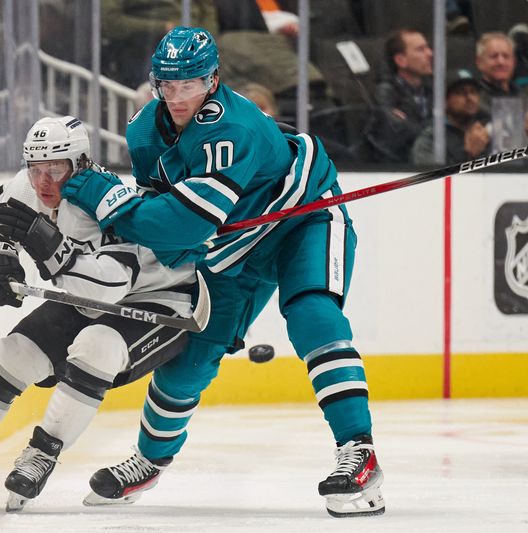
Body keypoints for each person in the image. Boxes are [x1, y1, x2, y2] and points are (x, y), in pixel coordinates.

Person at [61, 26, 384, 517]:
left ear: (212, 81)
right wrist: (142, 217)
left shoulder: (229, 128)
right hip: (233, 244)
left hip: (302, 216)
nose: (176, 97)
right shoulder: (144, 129)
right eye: (167, 86)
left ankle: (359, 452)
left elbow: (178, 226)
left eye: (189, 85)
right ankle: (149, 461)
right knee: (190, 353)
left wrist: (101, 196)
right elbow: (161, 211)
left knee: (312, 314)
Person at [0, 116, 197, 512]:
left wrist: (51, 247)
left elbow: (111, 286)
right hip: (87, 297)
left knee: (98, 345)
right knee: (12, 354)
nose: (43, 182)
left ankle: (43, 453)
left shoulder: (108, 197)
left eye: (55, 169)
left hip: (161, 299)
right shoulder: (26, 188)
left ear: (81, 164)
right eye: (36, 169)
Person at [372, 29, 434, 162]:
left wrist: (409, 123)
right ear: (401, 60)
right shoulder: (386, 93)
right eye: (420, 50)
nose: (430, 53)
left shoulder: (435, 90)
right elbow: (396, 134)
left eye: (428, 47)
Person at [411, 69, 491, 165]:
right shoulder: (431, 139)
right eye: (460, 93)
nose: (470, 98)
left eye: (473, 92)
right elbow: (433, 178)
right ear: (444, 101)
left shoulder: (485, 133)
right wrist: (469, 156)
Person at [475, 32, 523, 115]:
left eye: (506, 56)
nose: (501, 62)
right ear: (480, 63)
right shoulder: (473, 100)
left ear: (514, 62)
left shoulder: (524, 96)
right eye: (494, 56)